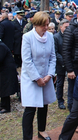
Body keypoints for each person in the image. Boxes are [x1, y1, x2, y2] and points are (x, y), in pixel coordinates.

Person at [21, 11, 56, 140]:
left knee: (44, 105)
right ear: (35, 24)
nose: (46, 28)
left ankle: (41, 130)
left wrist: (49, 75)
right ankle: (27, 137)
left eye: (47, 25)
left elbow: (52, 57)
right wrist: (37, 78)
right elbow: (27, 60)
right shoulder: (27, 37)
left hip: (46, 76)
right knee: (30, 109)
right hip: (31, 78)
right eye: (43, 26)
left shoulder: (50, 37)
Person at [54, 19, 70, 110]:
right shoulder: (56, 37)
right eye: (66, 27)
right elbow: (55, 52)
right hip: (60, 63)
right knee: (60, 83)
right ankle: (60, 101)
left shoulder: (70, 36)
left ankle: (70, 100)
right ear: (61, 27)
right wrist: (64, 61)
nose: (67, 29)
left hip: (69, 63)